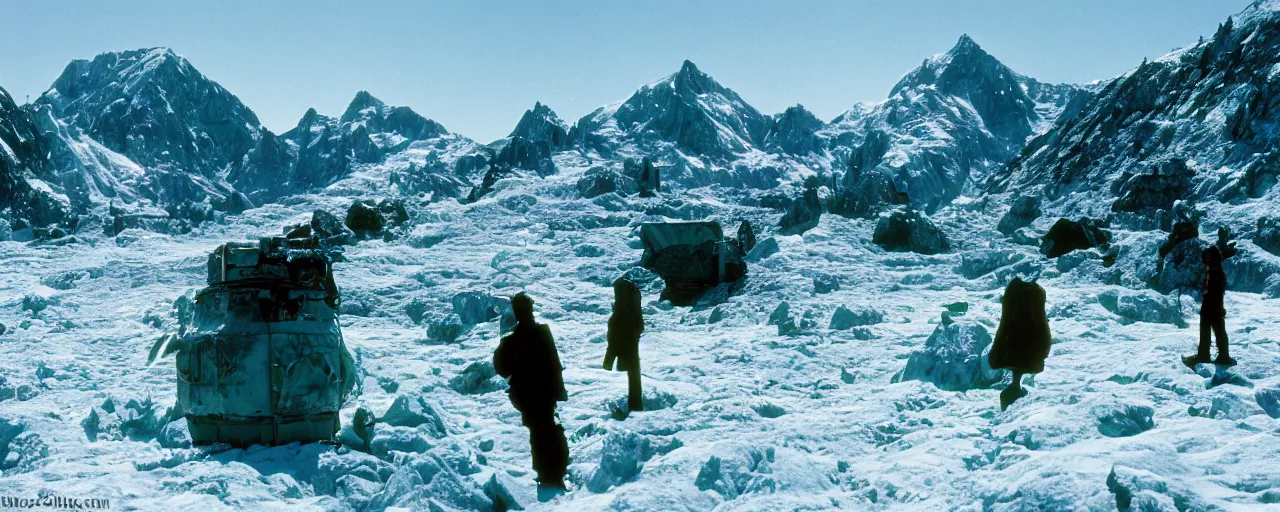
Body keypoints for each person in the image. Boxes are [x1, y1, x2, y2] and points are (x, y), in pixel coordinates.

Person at [493, 292, 569, 490]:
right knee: (547, 429)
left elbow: (500, 367)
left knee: (538, 432)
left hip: (527, 395)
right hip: (544, 392)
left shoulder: (512, 340)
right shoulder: (542, 332)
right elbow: (555, 363)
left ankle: (546, 472)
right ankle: (556, 470)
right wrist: (558, 391)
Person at [988, 278, 1052, 411]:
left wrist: (996, 352)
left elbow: (1004, 325)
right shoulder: (1036, 293)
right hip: (1028, 350)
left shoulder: (1014, 291)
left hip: (1014, 348)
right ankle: (1017, 399)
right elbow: (1041, 324)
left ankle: (1014, 399)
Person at [1183, 246, 1235, 368]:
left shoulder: (1216, 273)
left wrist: (1214, 308)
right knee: (1212, 331)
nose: (1207, 261)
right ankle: (1219, 356)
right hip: (1212, 307)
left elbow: (1216, 293)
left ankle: (1209, 356)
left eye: (1209, 258)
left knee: (1214, 331)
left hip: (1212, 307)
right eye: (1206, 258)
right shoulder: (1213, 271)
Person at [604, 278, 645, 412]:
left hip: (625, 352)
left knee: (629, 381)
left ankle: (631, 409)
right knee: (633, 381)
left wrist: (607, 363)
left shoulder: (620, 316)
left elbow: (613, 344)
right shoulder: (629, 312)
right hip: (631, 354)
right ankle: (635, 407)